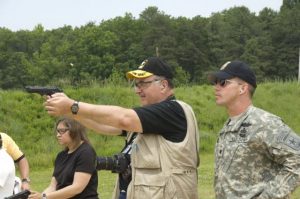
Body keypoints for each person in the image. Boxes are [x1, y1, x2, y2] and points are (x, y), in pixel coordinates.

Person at [44, 57, 200, 199]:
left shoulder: (173, 110)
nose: (137, 90)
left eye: (143, 83)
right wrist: (70, 112)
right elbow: (105, 126)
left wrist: (74, 106)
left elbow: (123, 118)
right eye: (136, 84)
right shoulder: (150, 117)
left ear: (163, 85)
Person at [209, 60, 300, 199]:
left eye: (223, 82)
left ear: (242, 88)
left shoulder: (265, 123)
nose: (216, 87)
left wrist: (269, 196)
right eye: (215, 82)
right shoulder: (228, 126)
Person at [29, 117, 98, 199]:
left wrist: (44, 197)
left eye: (62, 131)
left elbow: (77, 188)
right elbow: (53, 187)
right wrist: (40, 196)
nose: (58, 135)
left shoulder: (86, 152)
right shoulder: (61, 156)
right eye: (57, 131)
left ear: (74, 130)